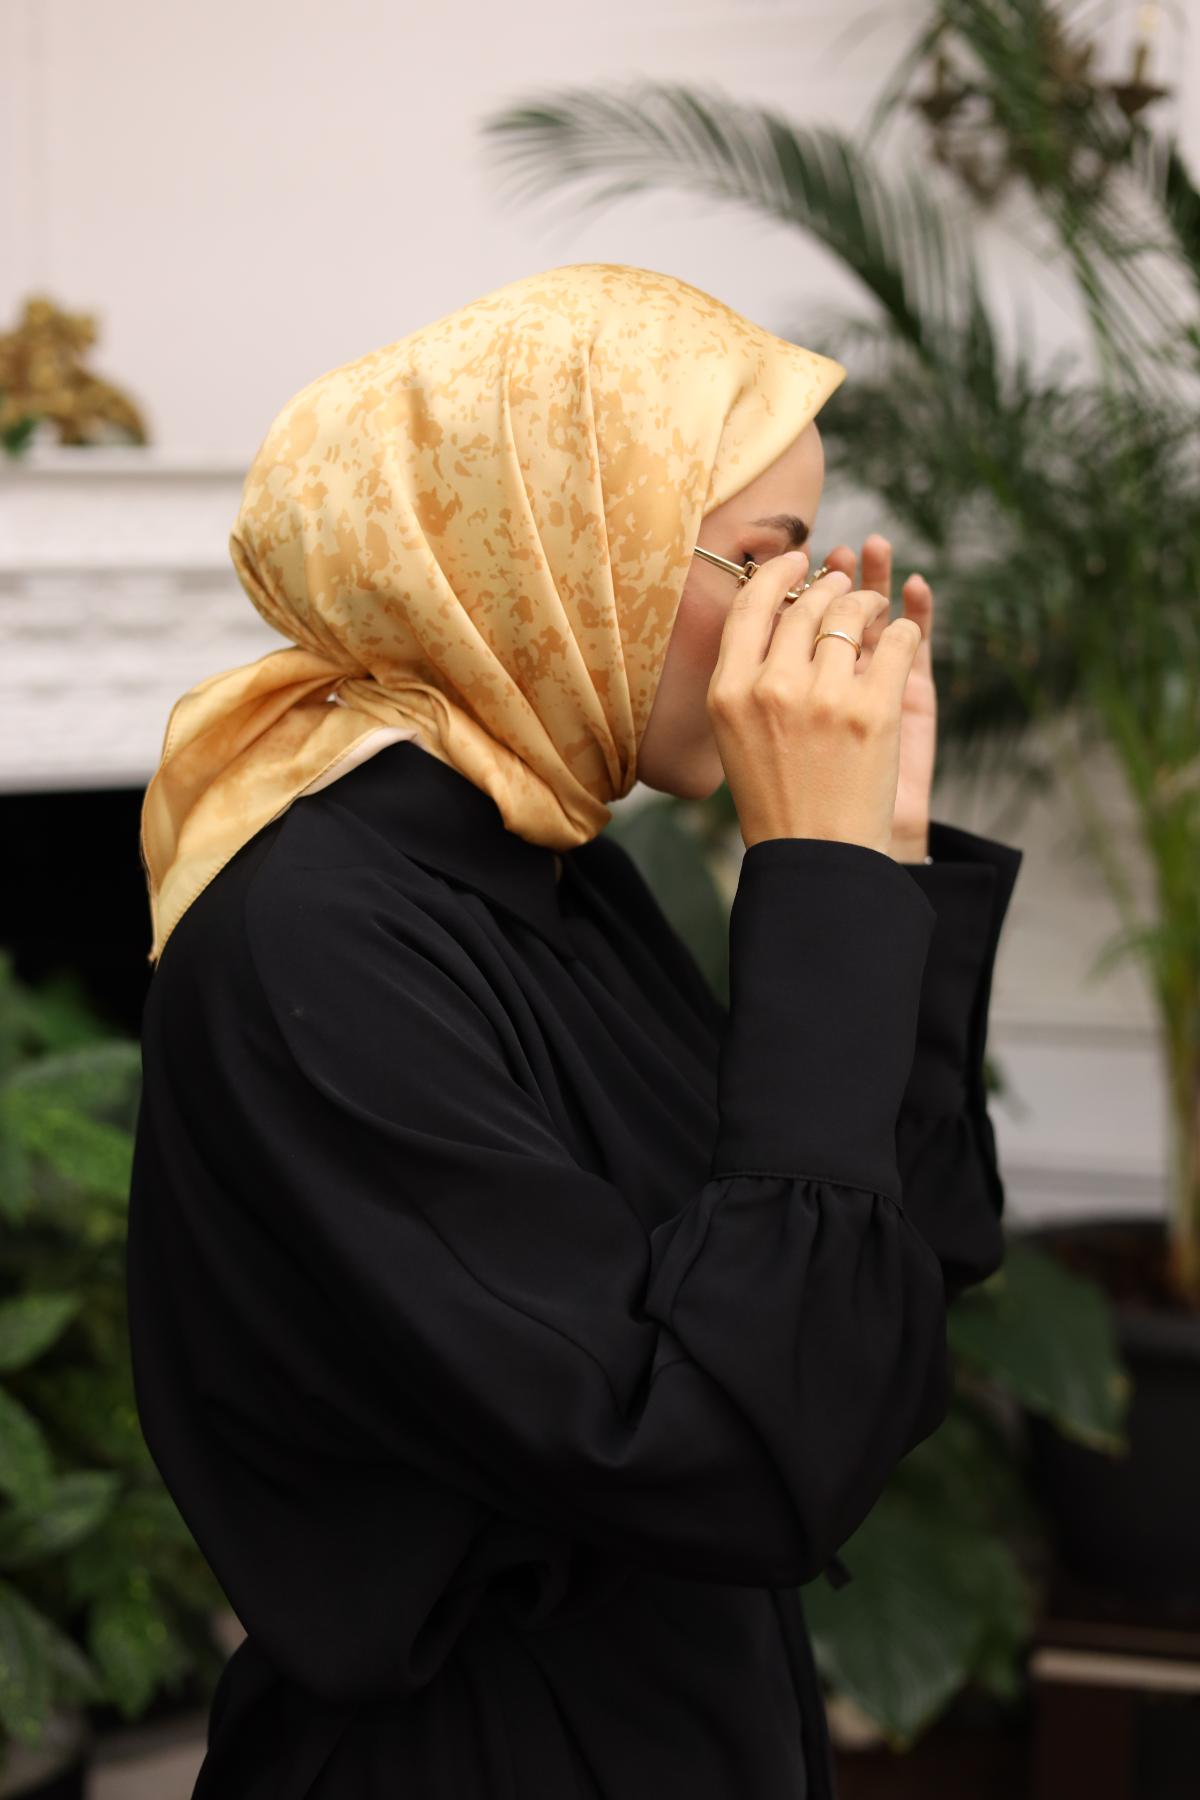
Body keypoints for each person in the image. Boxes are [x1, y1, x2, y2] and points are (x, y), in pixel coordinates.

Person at [127, 262, 1024, 1799]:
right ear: (568, 550)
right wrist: (812, 885)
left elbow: (870, 1303)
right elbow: (733, 1456)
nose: (812, 622)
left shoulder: (559, 874)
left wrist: (876, 863)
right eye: (766, 562)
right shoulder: (319, 933)